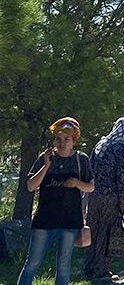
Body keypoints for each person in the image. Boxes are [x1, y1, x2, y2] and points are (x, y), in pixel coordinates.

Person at [18, 118, 94, 285]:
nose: (62, 142)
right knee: (32, 264)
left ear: (74, 140)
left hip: (69, 221)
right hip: (44, 220)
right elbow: (30, 186)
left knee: (64, 267)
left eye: (66, 139)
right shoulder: (45, 158)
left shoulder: (81, 159)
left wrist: (76, 183)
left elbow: (91, 187)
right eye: (58, 138)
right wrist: (46, 166)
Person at [85, 117, 124, 281]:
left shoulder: (101, 144)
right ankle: (101, 269)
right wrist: (123, 199)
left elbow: (90, 169)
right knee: (107, 231)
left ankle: (89, 266)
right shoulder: (121, 149)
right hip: (110, 196)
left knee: (93, 229)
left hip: (93, 193)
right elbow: (122, 177)